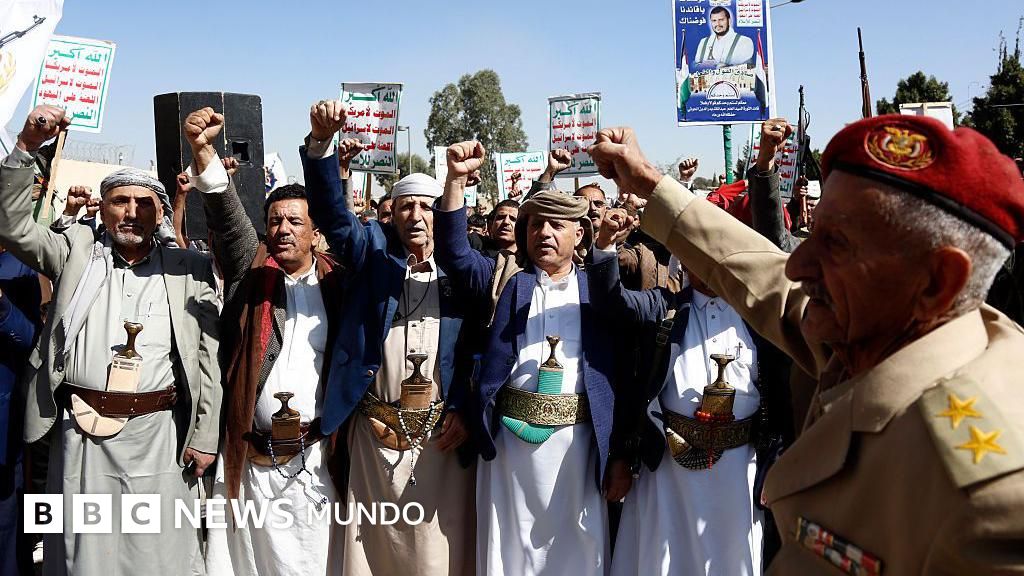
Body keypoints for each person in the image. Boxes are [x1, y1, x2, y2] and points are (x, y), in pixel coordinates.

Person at [588, 117, 1024, 574]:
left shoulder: (990, 501)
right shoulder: (869, 326)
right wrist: (649, 182)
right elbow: (759, 275)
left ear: (936, 281)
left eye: (836, 244)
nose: (798, 266)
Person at [0, 106, 222, 576]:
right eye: (120, 201)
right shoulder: (73, 252)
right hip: (81, 437)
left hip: (159, 437)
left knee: (159, 554)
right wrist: (26, 146)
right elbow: (13, 225)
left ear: (161, 212)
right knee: (83, 553)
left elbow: (207, 360)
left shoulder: (188, 269)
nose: (131, 212)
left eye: (144, 204)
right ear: (103, 208)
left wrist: (205, 435)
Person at [301, 99, 475, 575]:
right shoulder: (372, 254)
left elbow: (479, 349)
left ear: (442, 213)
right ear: (391, 215)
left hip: (441, 440)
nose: (416, 215)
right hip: (375, 438)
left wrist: (464, 407)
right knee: (372, 554)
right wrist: (321, 145)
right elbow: (334, 216)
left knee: (438, 555)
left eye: (426, 206)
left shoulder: (464, 270)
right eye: (406, 206)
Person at [436, 141, 617, 576]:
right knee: (508, 555)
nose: (545, 233)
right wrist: (456, 179)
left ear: (579, 235)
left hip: (577, 454)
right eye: (536, 224)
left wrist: (622, 454)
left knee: (578, 553)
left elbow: (621, 377)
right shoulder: (504, 279)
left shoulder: (600, 294)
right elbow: (455, 253)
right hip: (510, 456)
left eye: (557, 225)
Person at [180, 107, 345, 576]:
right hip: (252, 463)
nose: (283, 229)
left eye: (294, 221)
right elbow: (227, 214)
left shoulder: (338, 284)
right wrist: (203, 150)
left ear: (315, 232)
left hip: (318, 462)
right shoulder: (251, 274)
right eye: (274, 221)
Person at [589, 207, 792, 575]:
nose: (707, 262)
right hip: (669, 470)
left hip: (739, 471)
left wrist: (776, 465)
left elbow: (781, 401)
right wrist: (604, 245)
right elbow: (610, 301)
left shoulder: (759, 319)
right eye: (696, 253)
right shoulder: (663, 307)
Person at [0, 242, 41, 576]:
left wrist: (1, 306)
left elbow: (33, 341)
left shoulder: (21, 265)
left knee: (7, 534)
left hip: (4, 428)